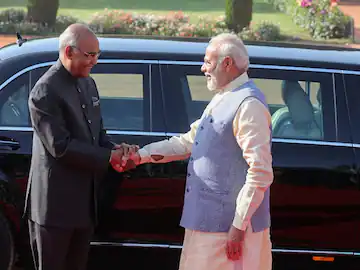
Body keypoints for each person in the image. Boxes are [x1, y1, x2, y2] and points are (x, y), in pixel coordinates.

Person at [126, 33, 274, 270]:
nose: (203, 68)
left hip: (228, 232)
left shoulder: (249, 105)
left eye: (208, 62)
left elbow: (261, 172)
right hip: (207, 227)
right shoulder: (224, 96)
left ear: (227, 63)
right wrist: (141, 155)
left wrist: (238, 227)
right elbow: (188, 142)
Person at [24, 23, 136, 270]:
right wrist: (109, 156)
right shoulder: (45, 91)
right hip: (55, 210)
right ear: (68, 52)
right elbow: (60, 147)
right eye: (89, 55)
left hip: (84, 206)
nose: (94, 61)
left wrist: (118, 149)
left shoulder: (88, 83)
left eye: (97, 54)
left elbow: (97, 134)